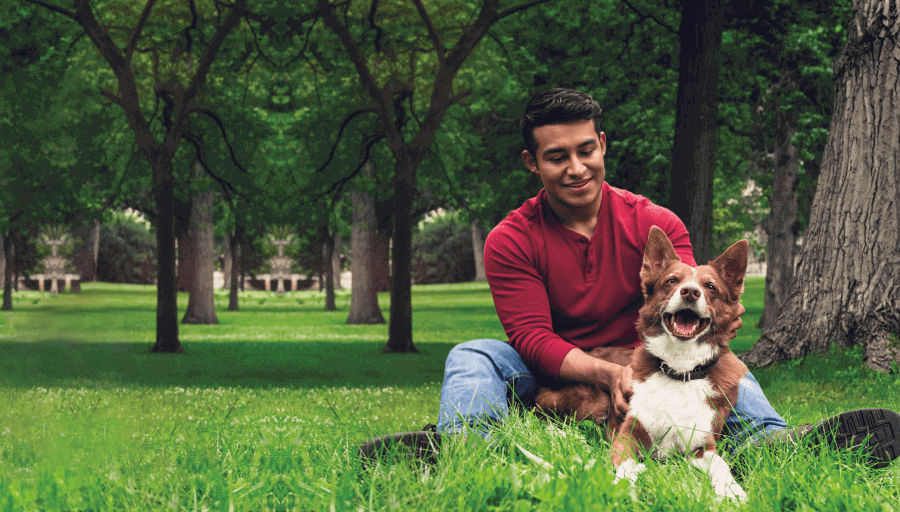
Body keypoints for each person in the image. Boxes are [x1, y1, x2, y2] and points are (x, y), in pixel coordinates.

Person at [359, 88, 900, 468]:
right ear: (532, 162)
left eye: (585, 150)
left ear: (602, 144)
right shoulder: (511, 238)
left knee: (718, 359)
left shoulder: (656, 223)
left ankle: (771, 442)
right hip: (555, 370)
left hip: (655, 362)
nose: (576, 168)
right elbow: (532, 339)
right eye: (557, 157)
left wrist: (669, 353)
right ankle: (464, 448)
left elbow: (693, 317)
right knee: (475, 353)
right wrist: (607, 374)